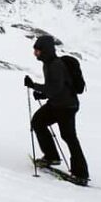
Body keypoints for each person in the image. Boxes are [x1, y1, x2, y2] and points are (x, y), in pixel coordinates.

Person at [24, 35, 89, 184]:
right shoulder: (48, 63)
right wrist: (42, 93)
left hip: (67, 107)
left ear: (45, 50)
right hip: (57, 104)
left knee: (69, 137)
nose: (35, 53)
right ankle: (51, 156)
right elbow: (55, 87)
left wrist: (35, 86)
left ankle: (81, 174)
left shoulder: (55, 65)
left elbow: (54, 88)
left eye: (37, 50)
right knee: (38, 122)